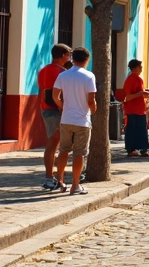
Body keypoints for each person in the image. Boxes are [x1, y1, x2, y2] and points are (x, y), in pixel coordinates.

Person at [53, 47, 97, 195]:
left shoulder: (63, 75)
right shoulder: (89, 76)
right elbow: (91, 100)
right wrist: (93, 109)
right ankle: (75, 184)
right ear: (87, 59)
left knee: (64, 150)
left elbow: (55, 96)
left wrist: (62, 106)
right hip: (82, 120)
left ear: (72, 59)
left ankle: (59, 179)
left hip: (66, 119)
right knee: (79, 153)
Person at [39, 44, 72, 189]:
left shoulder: (43, 70)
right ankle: (55, 177)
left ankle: (52, 176)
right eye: (68, 54)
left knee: (53, 144)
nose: (70, 57)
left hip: (45, 109)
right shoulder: (62, 72)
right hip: (58, 110)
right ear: (63, 55)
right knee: (58, 145)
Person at [122, 59, 149, 157]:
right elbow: (128, 97)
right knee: (131, 130)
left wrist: (144, 94)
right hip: (132, 110)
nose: (142, 68)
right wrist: (141, 93)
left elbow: (139, 93)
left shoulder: (139, 79)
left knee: (142, 130)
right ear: (135, 68)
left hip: (140, 109)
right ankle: (131, 149)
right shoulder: (130, 80)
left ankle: (143, 149)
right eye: (140, 66)